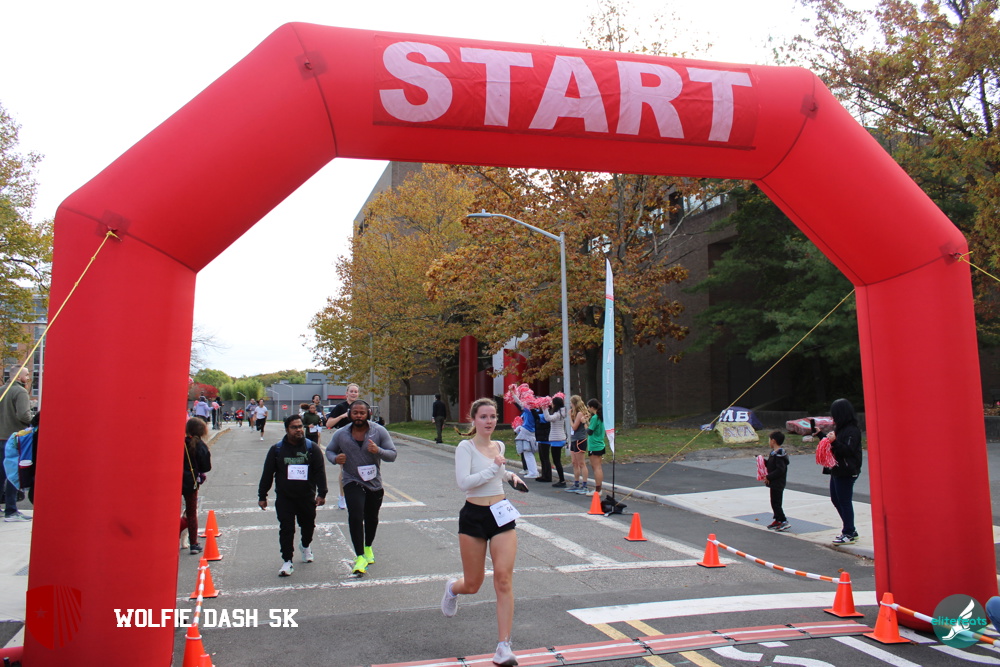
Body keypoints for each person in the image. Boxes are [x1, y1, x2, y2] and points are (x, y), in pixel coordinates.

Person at [441, 398, 524, 667]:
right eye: (483, 417)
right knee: (473, 584)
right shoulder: (465, 447)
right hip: (474, 517)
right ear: (473, 419)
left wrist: (510, 476)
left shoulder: (499, 446)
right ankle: (452, 588)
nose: (489, 421)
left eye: (493, 416)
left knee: (503, 579)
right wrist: (494, 468)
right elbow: (464, 482)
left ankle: (504, 647)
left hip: (501, 514)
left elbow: (498, 473)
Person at [326, 400, 398, 574]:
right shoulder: (341, 433)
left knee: (371, 517)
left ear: (368, 414)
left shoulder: (379, 431)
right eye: (355, 413)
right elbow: (329, 451)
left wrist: (378, 450)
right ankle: (359, 556)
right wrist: (335, 459)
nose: (358, 416)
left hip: (373, 482)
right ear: (350, 414)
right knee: (356, 515)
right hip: (352, 480)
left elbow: (392, 455)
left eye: (362, 413)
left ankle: (368, 547)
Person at [258, 415, 328, 577]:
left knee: (308, 526)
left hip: (306, 497)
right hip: (285, 498)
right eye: (294, 427)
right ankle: (287, 560)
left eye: (300, 426)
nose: (298, 430)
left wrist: (322, 493)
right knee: (287, 528)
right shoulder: (277, 450)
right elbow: (267, 474)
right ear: (286, 429)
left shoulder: (312, 448)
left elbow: (319, 472)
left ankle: (305, 545)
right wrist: (262, 495)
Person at [827, 398, 864, 545]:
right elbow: (835, 446)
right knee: (836, 499)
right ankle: (849, 528)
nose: (833, 417)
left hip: (847, 470)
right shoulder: (840, 429)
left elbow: (847, 450)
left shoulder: (852, 430)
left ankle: (849, 532)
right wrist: (821, 436)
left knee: (844, 501)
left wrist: (834, 442)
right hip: (837, 469)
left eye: (835, 414)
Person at [1, 366, 33, 522]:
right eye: (26, 375)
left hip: (1, 437)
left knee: (1, 474)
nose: (28, 378)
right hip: (14, 439)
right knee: (14, 475)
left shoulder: (2, 390)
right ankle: (11, 510)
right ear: (19, 377)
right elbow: (23, 415)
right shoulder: (20, 392)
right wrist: (33, 422)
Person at [326, 383, 362, 510]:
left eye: (355, 391)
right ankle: (342, 497)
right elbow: (328, 423)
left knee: (359, 469)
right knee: (345, 470)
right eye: (351, 391)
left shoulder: (361, 406)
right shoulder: (340, 407)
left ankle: (357, 494)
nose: (353, 393)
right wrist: (342, 416)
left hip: (359, 441)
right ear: (347, 393)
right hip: (344, 441)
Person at [181, 418, 212, 554]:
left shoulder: (180, 442)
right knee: (191, 512)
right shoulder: (200, 446)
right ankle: (193, 543)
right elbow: (206, 467)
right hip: (191, 482)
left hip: (174, 481)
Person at [763, 430, 790, 532]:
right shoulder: (773, 453)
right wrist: (762, 461)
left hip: (778, 482)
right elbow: (771, 465)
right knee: (774, 502)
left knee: (776, 503)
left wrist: (769, 477)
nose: (769, 442)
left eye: (769, 440)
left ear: (773, 441)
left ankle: (783, 520)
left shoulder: (779, 454)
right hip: (774, 482)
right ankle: (777, 519)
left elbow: (780, 470)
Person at [542, 396, 567, 488]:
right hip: (560, 438)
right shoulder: (561, 413)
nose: (551, 405)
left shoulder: (557, 414)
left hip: (557, 439)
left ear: (555, 404)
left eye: (552, 403)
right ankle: (562, 480)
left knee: (557, 461)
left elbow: (548, 418)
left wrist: (544, 408)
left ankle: (562, 480)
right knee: (557, 461)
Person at [567, 395, 590, 495]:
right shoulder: (575, 413)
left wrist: (569, 417)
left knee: (581, 463)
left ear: (574, 403)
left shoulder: (580, 413)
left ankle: (584, 485)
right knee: (574, 462)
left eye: (571, 403)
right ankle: (576, 483)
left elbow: (574, 427)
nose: (570, 405)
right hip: (574, 439)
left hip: (579, 440)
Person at [586, 399, 606, 497]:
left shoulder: (595, 417)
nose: (588, 409)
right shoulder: (600, 417)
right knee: (598, 467)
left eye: (588, 407)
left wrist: (584, 423)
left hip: (594, 445)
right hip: (600, 443)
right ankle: (598, 488)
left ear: (592, 407)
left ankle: (598, 490)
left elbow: (589, 431)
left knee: (596, 467)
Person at [534, 407, 553, 483]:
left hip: (545, 439)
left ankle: (547, 476)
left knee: (545, 458)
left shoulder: (545, 415)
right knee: (542, 458)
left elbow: (536, 416)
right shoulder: (541, 414)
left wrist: (531, 408)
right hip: (541, 439)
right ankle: (544, 475)